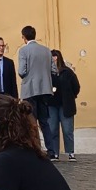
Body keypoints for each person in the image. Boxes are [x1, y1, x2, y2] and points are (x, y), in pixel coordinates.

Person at [17, 25, 57, 160]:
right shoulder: (46, 51)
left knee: (31, 122)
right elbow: (54, 70)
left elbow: (22, 71)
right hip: (45, 90)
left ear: (24, 37)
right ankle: (52, 151)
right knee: (45, 122)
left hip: (30, 90)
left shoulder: (23, 51)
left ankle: (36, 149)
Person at [49, 50, 80, 161]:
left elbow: (76, 87)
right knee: (52, 129)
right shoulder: (47, 73)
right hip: (51, 104)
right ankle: (54, 153)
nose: (53, 58)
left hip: (66, 105)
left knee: (67, 130)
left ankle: (70, 152)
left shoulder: (68, 72)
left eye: (54, 56)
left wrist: (71, 96)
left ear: (58, 57)